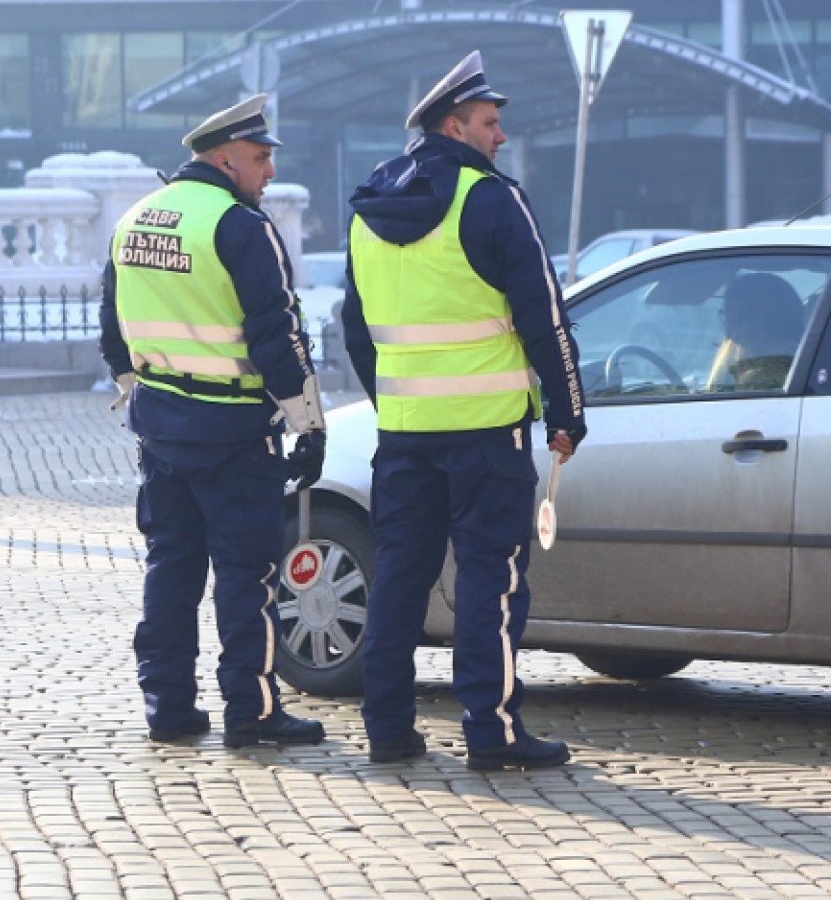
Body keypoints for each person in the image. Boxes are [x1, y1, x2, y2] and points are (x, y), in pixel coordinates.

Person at [343, 52, 587, 770]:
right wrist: (566, 410)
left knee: (398, 579)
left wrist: (395, 398)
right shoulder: (490, 199)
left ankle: (387, 729)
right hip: (486, 435)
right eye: (490, 123)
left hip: (405, 435)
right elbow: (545, 317)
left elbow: (356, 330)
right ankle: (493, 733)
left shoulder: (366, 212)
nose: (500, 137)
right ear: (455, 126)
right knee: (490, 580)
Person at [98, 92, 330, 750]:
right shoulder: (240, 226)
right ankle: (250, 713)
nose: (270, 173)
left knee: (170, 570)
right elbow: (276, 339)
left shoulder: (135, 220)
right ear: (224, 160)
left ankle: (168, 709)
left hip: (161, 427)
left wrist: (142, 395)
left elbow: (111, 328)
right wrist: (308, 425)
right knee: (245, 576)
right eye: (260, 158)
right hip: (233, 433)